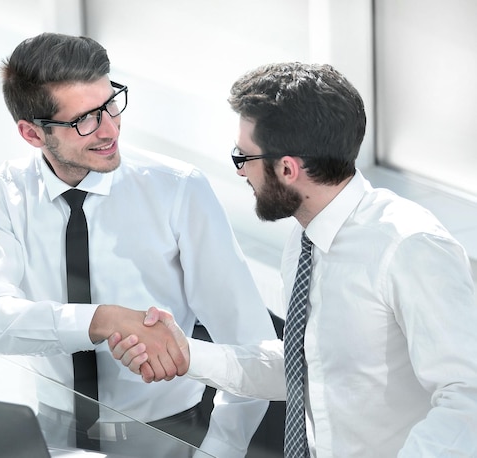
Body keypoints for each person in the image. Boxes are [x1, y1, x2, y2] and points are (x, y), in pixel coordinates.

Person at [108, 62, 477, 457]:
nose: (240, 172)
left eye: (242, 157)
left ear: (287, 168)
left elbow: (466, 399)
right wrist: (184, 351)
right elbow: (305, 364)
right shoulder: (307, 236)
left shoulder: (408, 246)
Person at [0, 32, 277, 458]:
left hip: (171, 435)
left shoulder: (178, 189)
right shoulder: (1, 191)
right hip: (52, 432)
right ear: (33, 134)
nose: (110, 129)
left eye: (111, 103)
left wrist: (220, 449)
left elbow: (254, 349)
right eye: (85, 120)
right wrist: (103, 320)